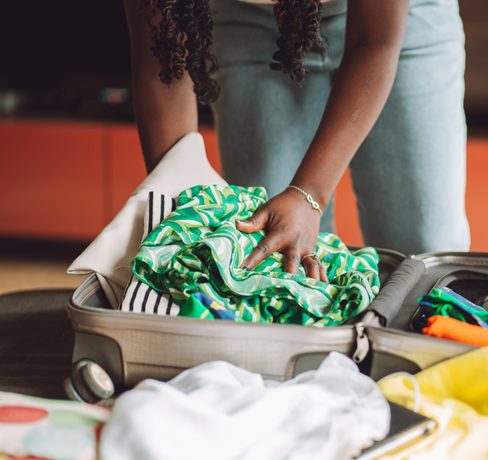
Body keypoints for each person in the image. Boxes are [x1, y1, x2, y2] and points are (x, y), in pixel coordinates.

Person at [123, 0, 470, 280]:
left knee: (425, 249)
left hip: (402, 22)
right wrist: (178, 205)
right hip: (249, 24)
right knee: (272, 257)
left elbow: (374, 41)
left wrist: (310, 194)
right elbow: (161, 59)